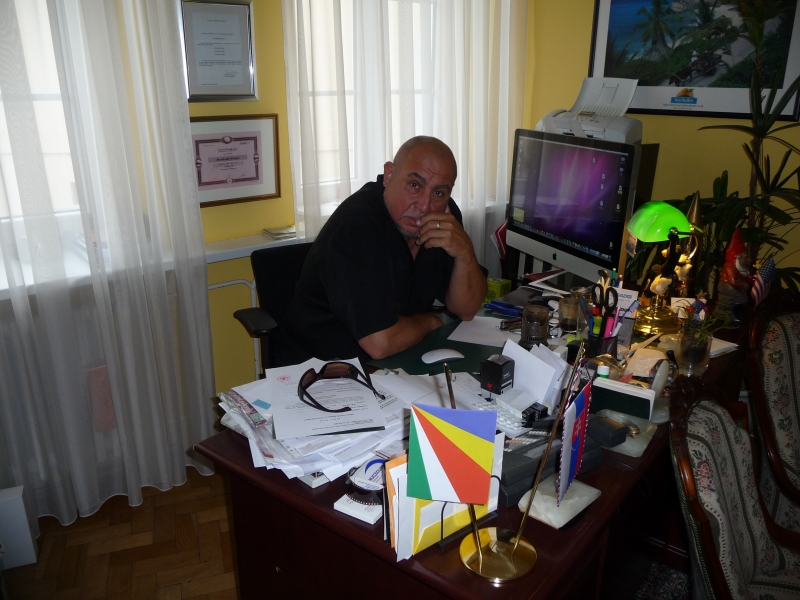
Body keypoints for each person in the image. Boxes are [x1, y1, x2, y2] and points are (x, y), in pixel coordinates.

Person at [276, 136, 487, 365]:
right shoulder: (356, 228)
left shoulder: (443, 219)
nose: (425, 206)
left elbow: (466, 310)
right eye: (415, 185)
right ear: (389, 175)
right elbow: (380, 343)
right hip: (320, 367)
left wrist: (465, 253)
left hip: (397, 359)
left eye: (438, 192)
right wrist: (430, 322)